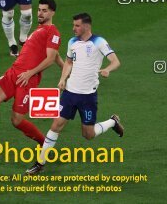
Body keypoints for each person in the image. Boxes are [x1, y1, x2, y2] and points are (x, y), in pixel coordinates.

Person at [25, 13, 123, 175]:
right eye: (73, 25)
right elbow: (69, 62)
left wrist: (107, 69)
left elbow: (116, 61)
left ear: (86, 26)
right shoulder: (72, 42)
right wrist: (63, 79)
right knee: (56, 125)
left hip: (87, 97)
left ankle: (113, 122)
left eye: (77, 26)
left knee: (88, 135)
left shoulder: (99, 42)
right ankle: (39, 163)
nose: (73, 28)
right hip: (70, 93)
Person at [0, 0, 63, 146]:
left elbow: (50, 58)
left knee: (16, 120)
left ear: (52, 12)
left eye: (44, 10)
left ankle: (45, 144)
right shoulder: (38, 29)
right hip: (14, 72)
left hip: (27, 79)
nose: (40, 13)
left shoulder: (53, 32)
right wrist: (65, 67)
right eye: (39, 10)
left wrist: (31, 73)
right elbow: (55, 54)